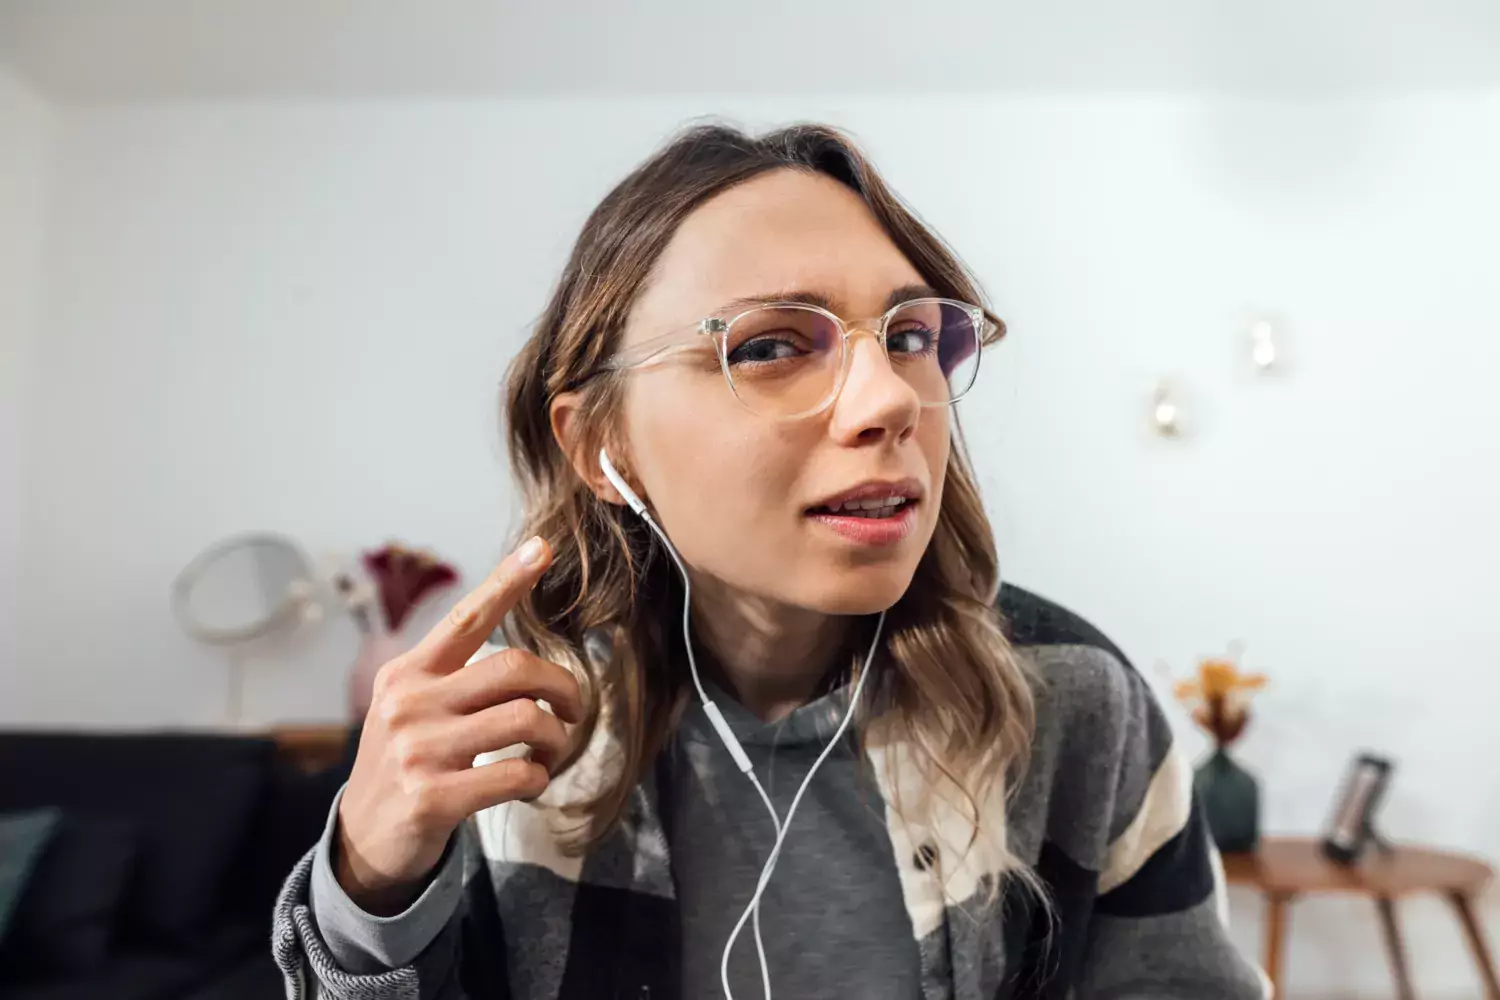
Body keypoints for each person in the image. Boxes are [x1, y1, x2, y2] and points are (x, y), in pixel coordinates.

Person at [271, 123, 1266, 1000]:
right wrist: (366, 885)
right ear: (601, 446)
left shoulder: (1072, 700)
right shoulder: (501, 735)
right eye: (770, 346)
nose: (889, 401)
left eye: (911, 335)